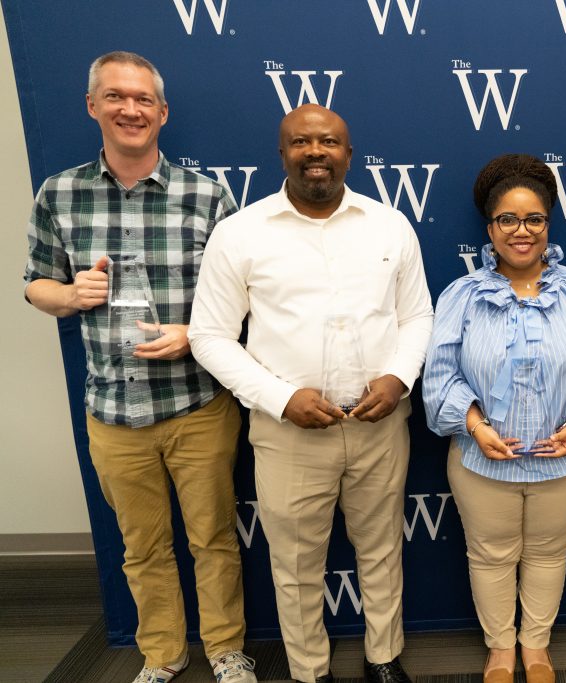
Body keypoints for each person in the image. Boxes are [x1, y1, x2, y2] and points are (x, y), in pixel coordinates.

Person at [22, 52, 255, 683]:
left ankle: (227, 650)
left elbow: (243, 299)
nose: (131, 109)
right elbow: (34, 286)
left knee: (212, 540)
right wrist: (68, 296)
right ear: (93, 106)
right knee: (142, 547)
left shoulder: (207, 196)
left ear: (163, 112)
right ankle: (162, 653)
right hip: (112, 412)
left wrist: (195, 333)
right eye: (116, 97)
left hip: (197, 405)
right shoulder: (59, 193)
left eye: (144, 99)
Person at [188, 103, 433, 683]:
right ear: (282, 154)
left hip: (379, 425)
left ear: (349, 153)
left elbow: (418, 316)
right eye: (301, 142)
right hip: (288, 431)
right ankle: (308, 671)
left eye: (328, 142)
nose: (315, 152)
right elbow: (209, 336)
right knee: (295, 564)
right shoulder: (240, 233)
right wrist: (279, 398)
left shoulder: (390, 225)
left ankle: (384, 658)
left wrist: (398, 377)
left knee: (380, 551)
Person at [422, 154, 566, 683]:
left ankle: (536, 648)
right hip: (481, 461)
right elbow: (441, 375)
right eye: (507, 219)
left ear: (547, 225)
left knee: (549, 554)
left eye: (534, 219)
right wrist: (478, 427)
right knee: (489, 555)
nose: (521, 231)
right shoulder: (462, 296)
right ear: (489, 229)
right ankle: (500, 651)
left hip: (563, 461)